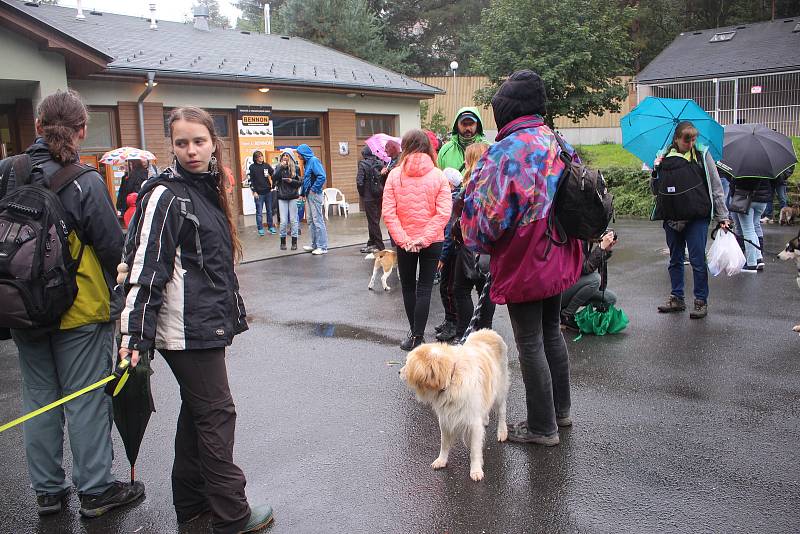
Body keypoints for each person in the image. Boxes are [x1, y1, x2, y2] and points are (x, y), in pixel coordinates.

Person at [118, 106, 273, 533]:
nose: (190, 150)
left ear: (212, 143)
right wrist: (134, 337)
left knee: (197, 412)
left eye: (198, 141)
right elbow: (144, 270)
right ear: (171, 145)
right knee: (217, 414)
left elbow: (213, 267)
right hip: (183, 330)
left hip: (203, 325)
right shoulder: (165, 195)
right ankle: (232, 515)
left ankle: (192, 506)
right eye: (181, 142)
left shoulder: (204, 188)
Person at [0, 90, 143, 517]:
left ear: (39, 126)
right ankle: (96, 491)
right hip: (78, 311)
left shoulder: (7, 171)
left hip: (20, 307)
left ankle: (48, 491)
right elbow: (113, 248)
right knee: (83, 398)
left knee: (39, 397)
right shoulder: (85, 180)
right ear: (81, 131)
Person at [461, 70, 583, 446]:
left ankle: (541, 427)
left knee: (529, 340)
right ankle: (560, 414)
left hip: (526, 258)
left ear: (505, 111)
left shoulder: (506, 152)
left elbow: (485, 218)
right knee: (550, 333)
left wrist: (473, 241)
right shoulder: (556, 140)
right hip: (560, 249)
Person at [651, 121, 731, 316]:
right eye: (687, 140)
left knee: (697, 260)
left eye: (694, 139)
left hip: (697, 217)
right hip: (671, 217)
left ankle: (700, 300)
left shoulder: (702, 155)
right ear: (677, 139)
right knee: (675, 259)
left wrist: (723, 216)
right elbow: (655, 190)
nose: (691, 143)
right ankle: (677, 297)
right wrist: (655, 171)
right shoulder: (663, 157)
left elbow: (715, 186)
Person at [383, 129, 452, 350]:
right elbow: (443, 213)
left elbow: (389, 212)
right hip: (433, 241)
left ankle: (415, 336)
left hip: (405, 242)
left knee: (408, 288)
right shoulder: (439, 175)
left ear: (405, 147)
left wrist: (403, 240)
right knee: (424, 288)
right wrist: (425, 238)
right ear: (428, 147)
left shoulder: (394, 175)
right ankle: (418, 336)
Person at [449, 142, 495, 341]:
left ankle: (465, 335)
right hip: (490, 247)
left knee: (461, 289)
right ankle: (486, 333)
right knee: (486, 290)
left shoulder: (468, 186)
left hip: (468, 246)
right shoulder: (496, 184)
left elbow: (457, 215)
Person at [560, 231, 618, 330]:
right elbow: (585, 269)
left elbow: (601, 287)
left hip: (572, 286)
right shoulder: (575, 237)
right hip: (559, 292)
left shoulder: (586, 240)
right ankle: (566, 316)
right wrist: (600, 248)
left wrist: (605, 250)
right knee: (594, 279)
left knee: (610, 298)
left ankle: (568, 312)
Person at [434, 167, 465, 342]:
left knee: (448, 288)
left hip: (452, 252)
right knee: (447, 288)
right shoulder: (454, 199)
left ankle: (453, 322)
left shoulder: (452, 202)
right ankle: (449, 319)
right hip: (452, 250)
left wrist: (442, 257)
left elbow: (449, 233)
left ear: (450, 185)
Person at [728, 170, 771, 272]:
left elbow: (735, 184)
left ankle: (751, 263)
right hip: (762, 201)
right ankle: (758, 258)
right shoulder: (765, 165)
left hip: (747, 200)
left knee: (748, 230)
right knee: (754, 227)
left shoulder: (743, 166)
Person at [298, 144, 329, 255]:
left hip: (315, 195)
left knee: (318, 220)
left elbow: (322, 176)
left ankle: (323, 247)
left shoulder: (314, 161)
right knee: (311, 220)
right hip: (309, 195)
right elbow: (306, 180)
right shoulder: (307, 162)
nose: (298, 156)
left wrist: (314, 189)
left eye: (299, 154)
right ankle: (314, 244)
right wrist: (302, 193)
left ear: (304, 153)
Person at [437, 107, 488, 171]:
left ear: (477, 125)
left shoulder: (488, 149)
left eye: (471, 124)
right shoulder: (445, 150)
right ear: (457, 125)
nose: (468, 128)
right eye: (464, 124)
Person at [357, 145, 386, 253]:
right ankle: (372, 242)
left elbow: (359, 182)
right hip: (379, 195)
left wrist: (362, 194)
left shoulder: (363, 164)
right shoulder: (380, 163)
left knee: (373, 221)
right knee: (375, 220)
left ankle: (379, 245)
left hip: (369, 196)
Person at [274, 149, 302, 250]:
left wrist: (291, 181)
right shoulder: (278, 167)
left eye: (287, 155)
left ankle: (294, 242)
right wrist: (280, 168)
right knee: (283, 221)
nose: (285, 157)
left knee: (294, 220)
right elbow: (274, 179)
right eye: (283, 155)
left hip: (293, 196)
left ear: (290, 157)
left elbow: (299, 183)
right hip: (282, 196)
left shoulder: (296, 168)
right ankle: (283, 242)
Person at [248, 150, 275, 236]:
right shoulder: (252, 167)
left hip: (268, 192)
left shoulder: (266, 165)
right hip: (258, 193)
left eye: (261, 156)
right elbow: (250, 180)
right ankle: (260, 228)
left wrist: (273, 187)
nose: (261, 158)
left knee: (269, 211)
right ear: (255, 158)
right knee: (259, 212)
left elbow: (273, 174)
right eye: (259, 156)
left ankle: (271, 227)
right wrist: (254, 191)